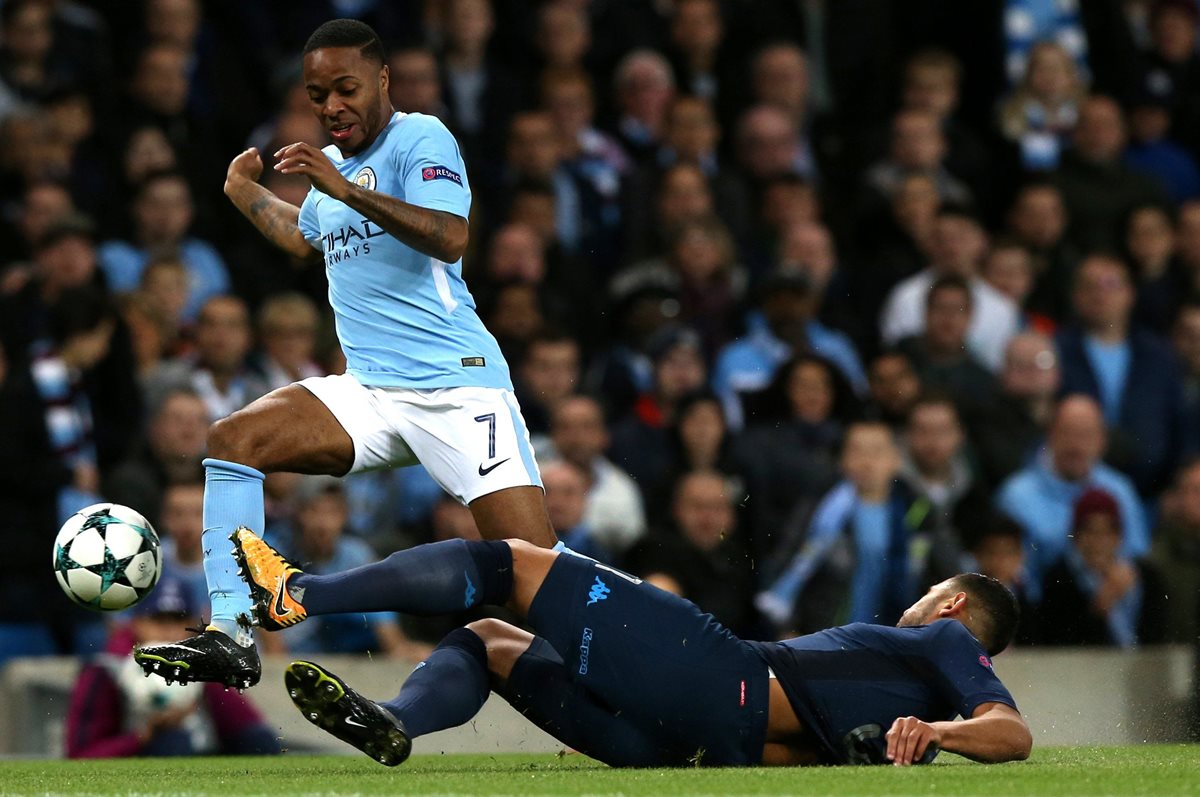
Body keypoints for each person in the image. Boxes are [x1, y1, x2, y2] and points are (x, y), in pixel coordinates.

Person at [135, 19, 555, 690]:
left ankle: (628, 697)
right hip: (370, 392)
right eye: (316, 94)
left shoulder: (421, 138)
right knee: (232, 439)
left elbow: (449, 236)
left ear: (382, 80)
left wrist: (344, 187)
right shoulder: (338, 175)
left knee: (539, 576)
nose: (331, 106)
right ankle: (233, 631)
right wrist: (245, 194)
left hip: (459, 387)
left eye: (345, 88)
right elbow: (304, 234)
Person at [228, 527, 1032, 768]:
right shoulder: (894, 737)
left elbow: (1013, 732)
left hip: (719, 675)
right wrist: (928, 733)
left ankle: (302, 592)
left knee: (504, 564)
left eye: (928, 598)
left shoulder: (941, 643)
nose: (915, 606)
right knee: (491, 642)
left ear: (952, 604)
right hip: (687, 752)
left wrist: (941, 728)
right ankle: (395, 719)